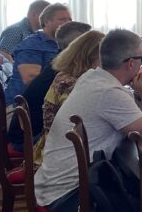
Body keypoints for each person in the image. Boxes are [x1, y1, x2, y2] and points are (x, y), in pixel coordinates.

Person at [35, 29, 142, 212]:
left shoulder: (92, 77)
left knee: (138, 186)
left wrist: (140, 95)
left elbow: (135, 120)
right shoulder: (109, 92)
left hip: (52, 183)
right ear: (131, 63)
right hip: (67, 194)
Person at [6, 21, 92, 151]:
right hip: (29, 140)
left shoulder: (60, 63)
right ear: (82, 47)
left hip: (27, 133)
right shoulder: (66, 74)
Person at [33, 29, 106, 165]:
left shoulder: (64, 75)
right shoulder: (75, 84)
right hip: (61, 155)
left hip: (50, 144)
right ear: (93, 57)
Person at [5, 3, 73, 101]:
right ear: (47, 21)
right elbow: (30, 79)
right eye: (62, 19)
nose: (68, 23)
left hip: (51, 98)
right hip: (23, 104)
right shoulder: (32, 44)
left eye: (69, 19)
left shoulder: (65, 44)